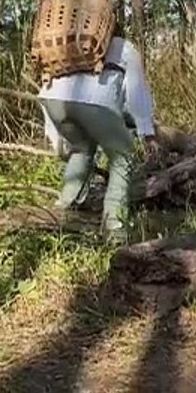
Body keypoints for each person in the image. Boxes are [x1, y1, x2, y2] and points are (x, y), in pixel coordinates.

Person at [38, 25, 159, 243]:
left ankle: (64, 211)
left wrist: (54, 137)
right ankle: (115, 229)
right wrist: (147, 131)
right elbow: (135, 94)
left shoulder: (69, 43)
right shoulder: (124, 48)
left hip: (52, 100)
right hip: (94, 103)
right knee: (123, 156)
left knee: (82, 149)